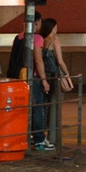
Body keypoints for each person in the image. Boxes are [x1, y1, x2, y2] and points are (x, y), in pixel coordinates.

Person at [30, 18, 69, 151]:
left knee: (42, 106)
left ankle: (39, 134)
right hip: (52, 76)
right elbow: (60, 61)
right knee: (53, 104)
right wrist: (67, 74)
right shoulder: (54, 40)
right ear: (53, 28)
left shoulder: (40, 39)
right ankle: (50, 135)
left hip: (41, 75)